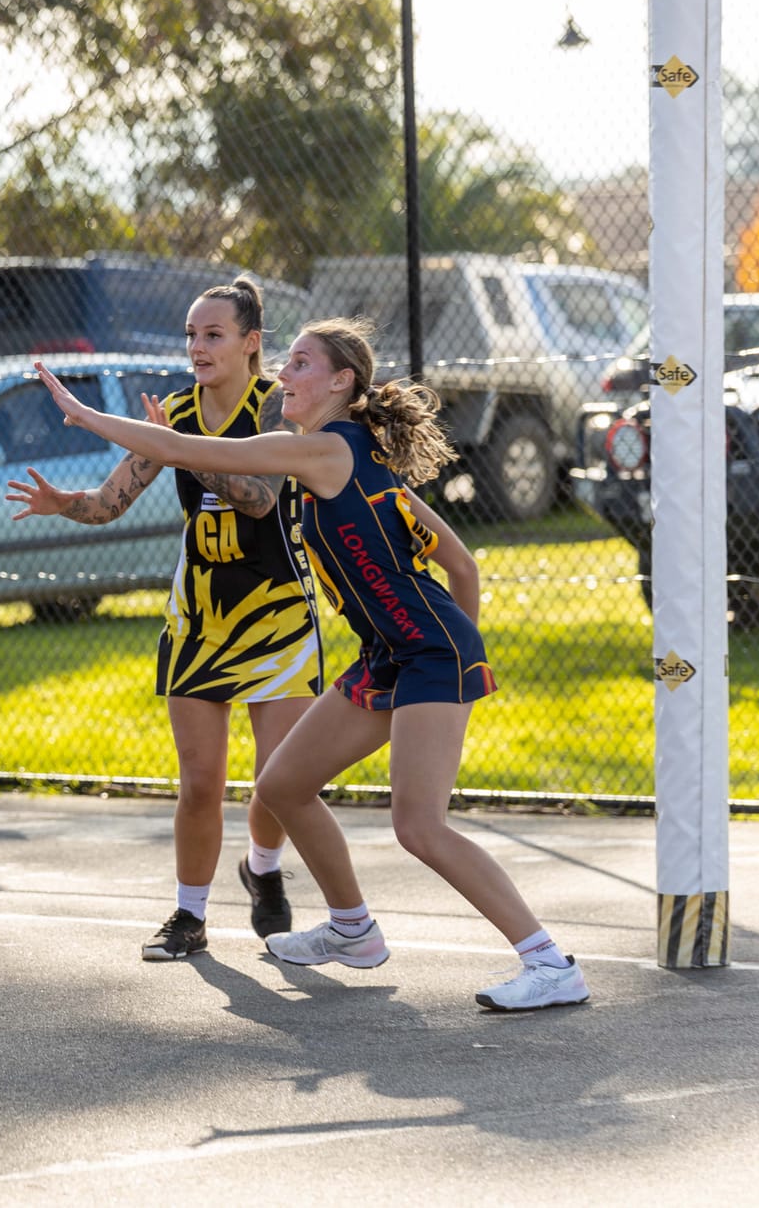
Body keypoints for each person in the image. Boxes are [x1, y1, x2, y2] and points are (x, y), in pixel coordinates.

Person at [33, 317, 589, 1012]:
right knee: (282, 785)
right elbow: (462, 565)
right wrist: (441, 650)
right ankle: (353, 929)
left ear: (339, 381)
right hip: (393, 656)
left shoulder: (327, 451)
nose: (284, 377)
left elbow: (181, 447)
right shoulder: (352, 462)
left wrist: (83, 414)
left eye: (298, 364)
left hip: (425, 657)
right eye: (288, 363)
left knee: (418, 825)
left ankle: (548, 961)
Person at [6, 279, 319, 959]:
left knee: (278, 780)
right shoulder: (177, 411)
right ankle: (189, 915)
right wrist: (66, 503)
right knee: (200, 780)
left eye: (212, 335)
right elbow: (111, 500)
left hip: (278, 613)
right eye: (190, 335)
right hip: (198, 618)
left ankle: (262, 866)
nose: (197, 347)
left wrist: (182, 448)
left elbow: (260, 498)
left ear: (251, 342)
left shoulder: (279, 408)